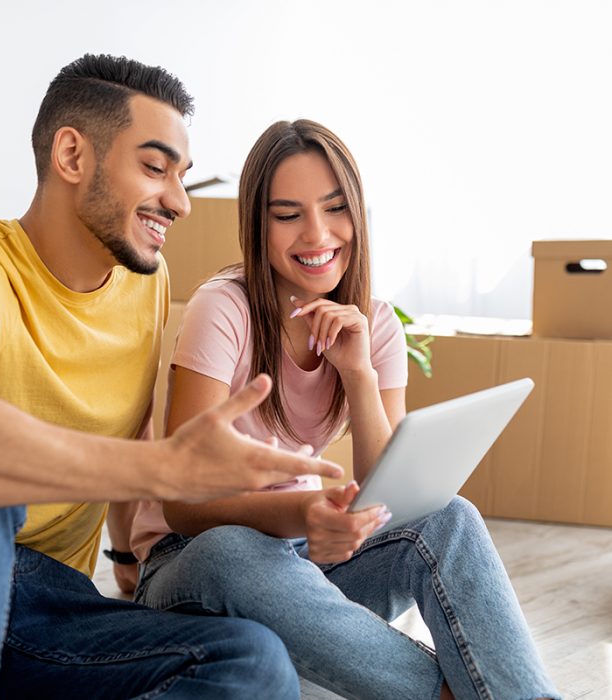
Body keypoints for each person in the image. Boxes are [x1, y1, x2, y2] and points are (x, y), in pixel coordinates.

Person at [0, 57, 344, 700]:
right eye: (154, 167)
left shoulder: (146, 280)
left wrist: (124, 556)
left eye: (182, 176)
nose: (179, 200)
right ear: (71, 154)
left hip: (44, 602)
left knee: (250, 663)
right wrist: (165, 472)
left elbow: (128, 426)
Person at [128, 119, 560, 699]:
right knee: (232, 552)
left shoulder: (375, 324)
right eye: (287, 214)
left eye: (335, 209)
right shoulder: (222, 310)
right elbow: (182, 505)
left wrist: (358, 372)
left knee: (448, 518)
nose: (317, 234)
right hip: (193, 571)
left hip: (306, 569)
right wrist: (308, 511)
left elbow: (392, 499)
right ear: (257, 224)